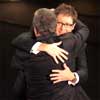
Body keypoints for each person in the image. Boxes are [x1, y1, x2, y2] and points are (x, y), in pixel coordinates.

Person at [11, 3, 90, 100]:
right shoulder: (40, 34)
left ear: (73, 26)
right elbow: (21, 39)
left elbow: (84, 72)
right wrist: (41, 46)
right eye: (59, 23)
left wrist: (72, 76)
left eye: (67, 25)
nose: (62, 28)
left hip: (66, 94)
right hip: (33, 89)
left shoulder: (77, 43)